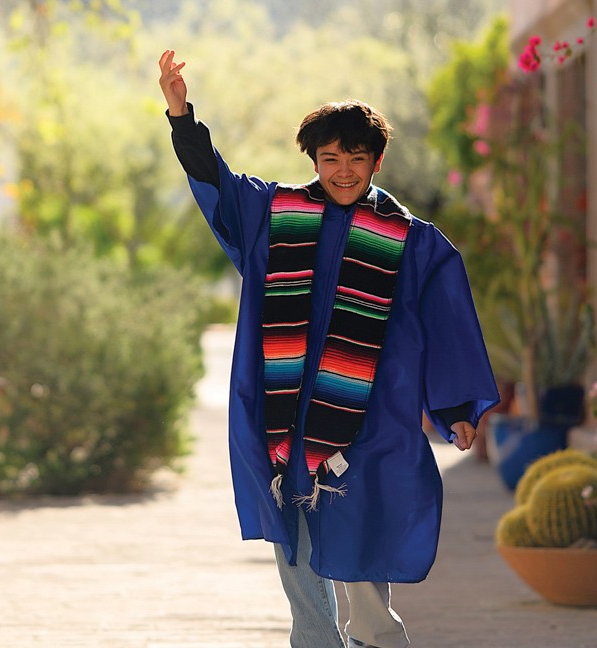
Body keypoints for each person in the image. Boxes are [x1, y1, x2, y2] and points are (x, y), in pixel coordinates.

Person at [158, 49, 499, 648]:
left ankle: (377, 638)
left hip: (371, 413)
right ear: (314, 159)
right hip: (285, 407)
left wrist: (455, 408)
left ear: (377, 160)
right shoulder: (276, 214)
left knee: (361, 530)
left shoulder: (411, 240)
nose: (343, 171)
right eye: (330, 158)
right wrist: (181, 115)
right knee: (295, 538)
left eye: (356, 158)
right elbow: (215, 180)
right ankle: (313, 640)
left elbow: (448, 320)